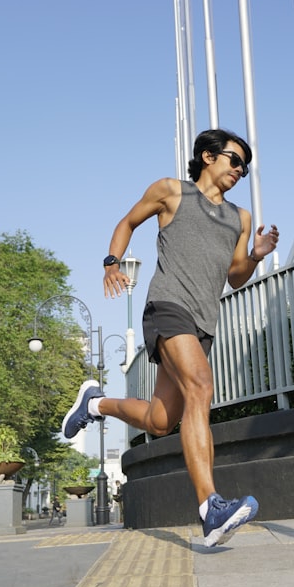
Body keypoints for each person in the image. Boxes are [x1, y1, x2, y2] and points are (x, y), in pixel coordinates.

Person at [61, 128, 279, 547]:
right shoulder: (171, 192)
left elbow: (235, 278)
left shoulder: (241, 218)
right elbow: (128, 221)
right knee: (201, 386)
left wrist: (254, 255)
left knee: (162, 421)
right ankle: (210, 508)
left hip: (203, 322)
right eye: (234, 160)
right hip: (167, 306)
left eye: (245, 167)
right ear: (207, 156)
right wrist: (111, 263)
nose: (240, 170)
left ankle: (96, 402)